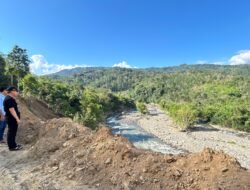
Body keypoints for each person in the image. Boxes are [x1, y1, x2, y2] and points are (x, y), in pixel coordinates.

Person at [3, 86, 22, 151]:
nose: (17, 93)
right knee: (11, 132)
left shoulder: (10, 98)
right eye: (16, 91)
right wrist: (17, 119)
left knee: (13, 132)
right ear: (12, 91)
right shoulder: (9, 99)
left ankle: (14, 144)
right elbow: (12, 110)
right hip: (12, 118)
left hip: (12, 118)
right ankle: (12, 147)